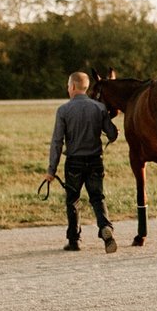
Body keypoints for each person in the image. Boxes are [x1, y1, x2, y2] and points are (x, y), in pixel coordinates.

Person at [45, 71, 119, 253]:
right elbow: (112, 134)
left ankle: (74, 240)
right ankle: (105, 227)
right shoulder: (99, 108)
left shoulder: (63, 110)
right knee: (97, 197)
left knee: (73, 200)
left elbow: (57, 142)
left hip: (74, 163)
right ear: (85, 88)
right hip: (95, 161)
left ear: (72, 87)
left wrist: (51, 170)